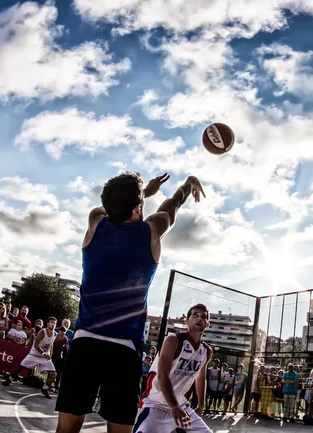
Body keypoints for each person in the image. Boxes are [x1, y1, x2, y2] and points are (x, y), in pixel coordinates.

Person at [55, 172, 206, 433]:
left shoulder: (95, 222)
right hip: (124, 351)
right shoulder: (151, 230)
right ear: (138, 207)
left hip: (84, 342)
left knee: (67, 428)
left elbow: (110, 207)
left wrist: (143, 193)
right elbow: (173, 204)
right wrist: (189, 183)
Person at [133, 304, 212, 433]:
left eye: (203, 317)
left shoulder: (206, 351)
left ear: (207, 324)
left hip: (181, 406)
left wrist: (201, 405)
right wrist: (174, 406)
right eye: (195, 315)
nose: (199, 319)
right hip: (156, 405)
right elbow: (162, 376)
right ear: (186, 320)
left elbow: (200, 378)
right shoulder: (173, 340)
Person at [3, 317, 58, 398]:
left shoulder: (55, 334)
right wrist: (43, 353)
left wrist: (50, 355)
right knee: (20, 368)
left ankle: (44, 389)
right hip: (34, 355)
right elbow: (35, 345)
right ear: (48, 323)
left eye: (54, 323)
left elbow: (51, 345)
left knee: (53, 374)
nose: (53, 324)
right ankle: (10, 379)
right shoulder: (42, 332)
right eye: (51, 322)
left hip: (44, 357)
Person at [52, 326, 70, 392]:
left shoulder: (65, 338)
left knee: (59, 373)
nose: (63, 332)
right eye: (62, 331)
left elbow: (67, 347)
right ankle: (49, 384)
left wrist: (68, 354)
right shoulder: (55, 337)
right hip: (53, 356)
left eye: (64, 331)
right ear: (59, 331)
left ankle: (56, 386)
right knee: (52, 371)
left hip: (60, 358)